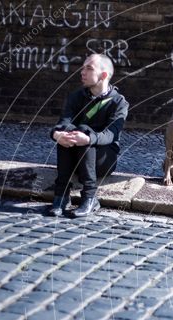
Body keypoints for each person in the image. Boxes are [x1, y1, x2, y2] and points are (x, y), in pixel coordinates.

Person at [48, 53, 129, 217]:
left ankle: (90, 197)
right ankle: (61, 196)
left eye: (89, 68)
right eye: (82, 68)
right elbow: (63, 122)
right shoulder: (76, 97)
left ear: (104, 75)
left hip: (103, 160)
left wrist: (89, 138)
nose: (82, 72)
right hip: (76, 158)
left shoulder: (119, 102)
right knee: (67, 134)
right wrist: (57, 134)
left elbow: (110, 134)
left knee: (84, 130)